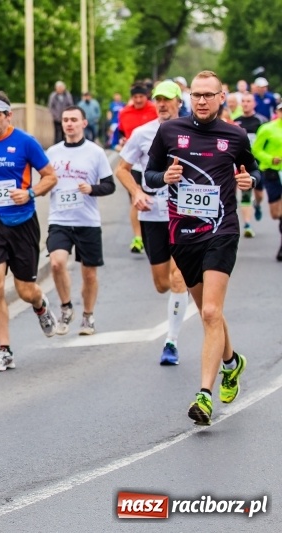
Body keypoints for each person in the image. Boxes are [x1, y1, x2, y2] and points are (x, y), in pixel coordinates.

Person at [144, 70, 259, 426]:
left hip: (222, 231)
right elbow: (148, 176)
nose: (202, 100)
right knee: (209, 312)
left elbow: (252, 172)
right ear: (189, 97)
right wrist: (164, 177)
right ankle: (232, 362)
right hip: (183, 236)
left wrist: (249, 180)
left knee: (210, 312)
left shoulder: (235, 135)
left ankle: (204, 396)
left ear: (222, 97)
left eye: (209, 95)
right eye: (196, 95)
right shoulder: (169, 131)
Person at [0, 91, 59, 372]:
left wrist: (30, 193)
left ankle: (40, 305)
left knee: (25, 290)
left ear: (8, 116)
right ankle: (4, 350)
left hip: (23, 223)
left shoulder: (25, 142)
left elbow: (50, 176)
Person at [115, 80, 189, 365]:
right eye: (158, 99)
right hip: (153, 213)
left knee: (178, 277)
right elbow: (122, 169)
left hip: (184, 213)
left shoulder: (192, 131)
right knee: (161, 283)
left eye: (167, 99)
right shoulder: (142, 133)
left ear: (179, 102)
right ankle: (181, 294)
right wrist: (136, 192)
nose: (161, 104)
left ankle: (172, 342)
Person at [45, 106, 115, 336]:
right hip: (60, 219)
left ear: (84, 123)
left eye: (74, 120)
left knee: (89, 274)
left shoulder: (95, 152)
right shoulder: (52, 152)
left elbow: (110, 186)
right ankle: (66, 307)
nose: (69, 124)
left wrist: (91, 189)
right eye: (65, 120)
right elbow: (44, 180)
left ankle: (88, 315)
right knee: (56, 263)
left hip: (87, 221)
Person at [118, 84, 158, 254]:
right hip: (133, 161)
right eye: (135, 97)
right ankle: (138, 237)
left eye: (141, 96)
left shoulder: (155, 109)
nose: (139, 100)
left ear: (146, 97)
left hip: (150, 162)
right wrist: (121, 141)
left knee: (154, 197)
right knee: (137, 197)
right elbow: (120, 132)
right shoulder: (124, 113)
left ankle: (156, 230)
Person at [251, 102, 282, 261]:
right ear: (278, 112)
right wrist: (270, 159)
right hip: (272, 172)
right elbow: (256, 149)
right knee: (276, 213)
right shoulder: (267, 128)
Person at [235, 92, 268, 235]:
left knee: (259, 194)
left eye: (248, 101)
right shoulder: (236, 121)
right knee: (245, 193)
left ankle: (258, 204)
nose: (246, 104)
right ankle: (247, 225)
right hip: (243, 163)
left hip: (259, 163)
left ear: (254, 104)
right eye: (243, 101)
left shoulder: (261, 121)